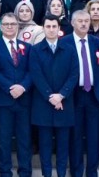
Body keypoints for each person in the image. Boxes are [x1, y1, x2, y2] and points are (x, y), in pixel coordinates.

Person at [29, 15, 77, 177]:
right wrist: (51, 96)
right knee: (45, 146)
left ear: (59, 29)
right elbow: (36, 75)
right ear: (43, 28)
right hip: (44, 104)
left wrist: (62, 95)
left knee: (63, 146)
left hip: (65, 104)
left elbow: (74, 74)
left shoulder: (69, 49)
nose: (51, 29)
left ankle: (62, 174)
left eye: (54, 26)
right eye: (48, 26)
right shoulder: (35, 50)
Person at [0, 4, 34, 177]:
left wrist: (22, 87)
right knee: (4, 140)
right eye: (6, 24)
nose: (10, 27)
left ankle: (25, 172)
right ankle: (5, 172)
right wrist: (10, 88)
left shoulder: (27, 47)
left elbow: (32, 70)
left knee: (25, 140)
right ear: (1, 27)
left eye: (13, 24)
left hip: (23, 100)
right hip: (3, 100)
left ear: (18, 26)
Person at [62, 10, 99, 177]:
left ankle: (92, 172)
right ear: (72, 23)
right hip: (74, 96)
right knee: (76, 138)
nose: (84, 24)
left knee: (94, 138)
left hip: (94, 96)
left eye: (86, 21)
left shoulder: (97, 42)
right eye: (80, 21)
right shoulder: (64, 43)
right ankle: (77, 173)